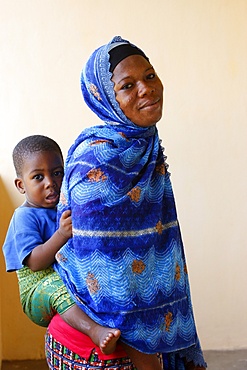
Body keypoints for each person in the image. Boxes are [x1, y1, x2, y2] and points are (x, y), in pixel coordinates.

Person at [47, 36, 207, 370]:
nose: (146, 89)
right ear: (104, 97)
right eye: (127, 85)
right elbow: (105, 269)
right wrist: (148, 352)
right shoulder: (94, 159)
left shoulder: (146, 145)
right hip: (101, 305)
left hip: (151, 293)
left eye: (149, 76)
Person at [2, 134, 121, 355]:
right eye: (38, 177)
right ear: (21, 185)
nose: (50, 183)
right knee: (59, 287)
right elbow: (35, 263)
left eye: (57, 173)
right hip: (37, 290)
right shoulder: (24, 217)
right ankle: (94, 331)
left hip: (65, 276)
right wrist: (61, 235)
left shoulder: (63, 207)